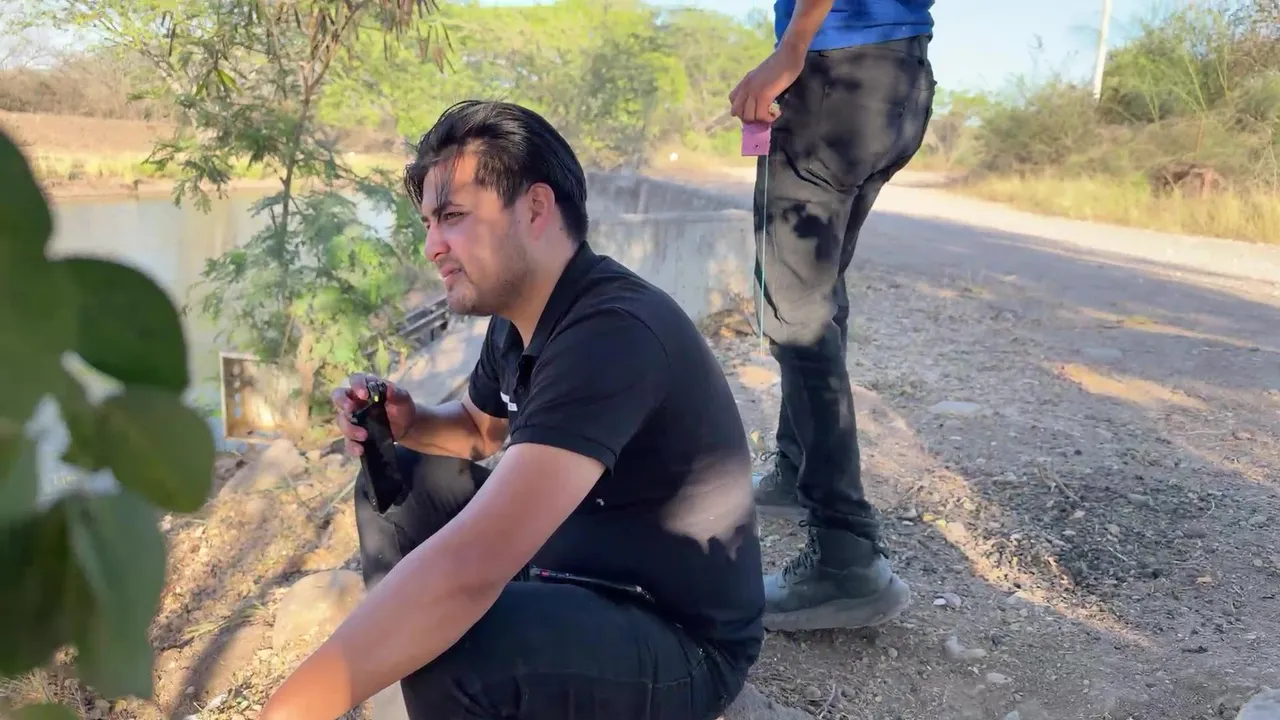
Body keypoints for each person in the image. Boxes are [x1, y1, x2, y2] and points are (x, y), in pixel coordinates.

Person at [258, 100, 765, 720]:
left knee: (450, 645)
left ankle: (426, 668)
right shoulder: (517, 319)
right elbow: (480, 431)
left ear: (535, 208)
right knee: (396, 483)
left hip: (674, 632)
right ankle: (402, 662)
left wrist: (287, 710)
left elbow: (469, 568)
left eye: (452, 217)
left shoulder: (613, 333)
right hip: (568, 568)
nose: (432, 246)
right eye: (428, 223)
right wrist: (411, 423)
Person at [727, 0, 937, 632]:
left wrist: (792, 48)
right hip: (900, 73)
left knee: (795, 311)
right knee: (816, 291)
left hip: (834, 73)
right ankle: (796, 467)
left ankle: (846, 558)